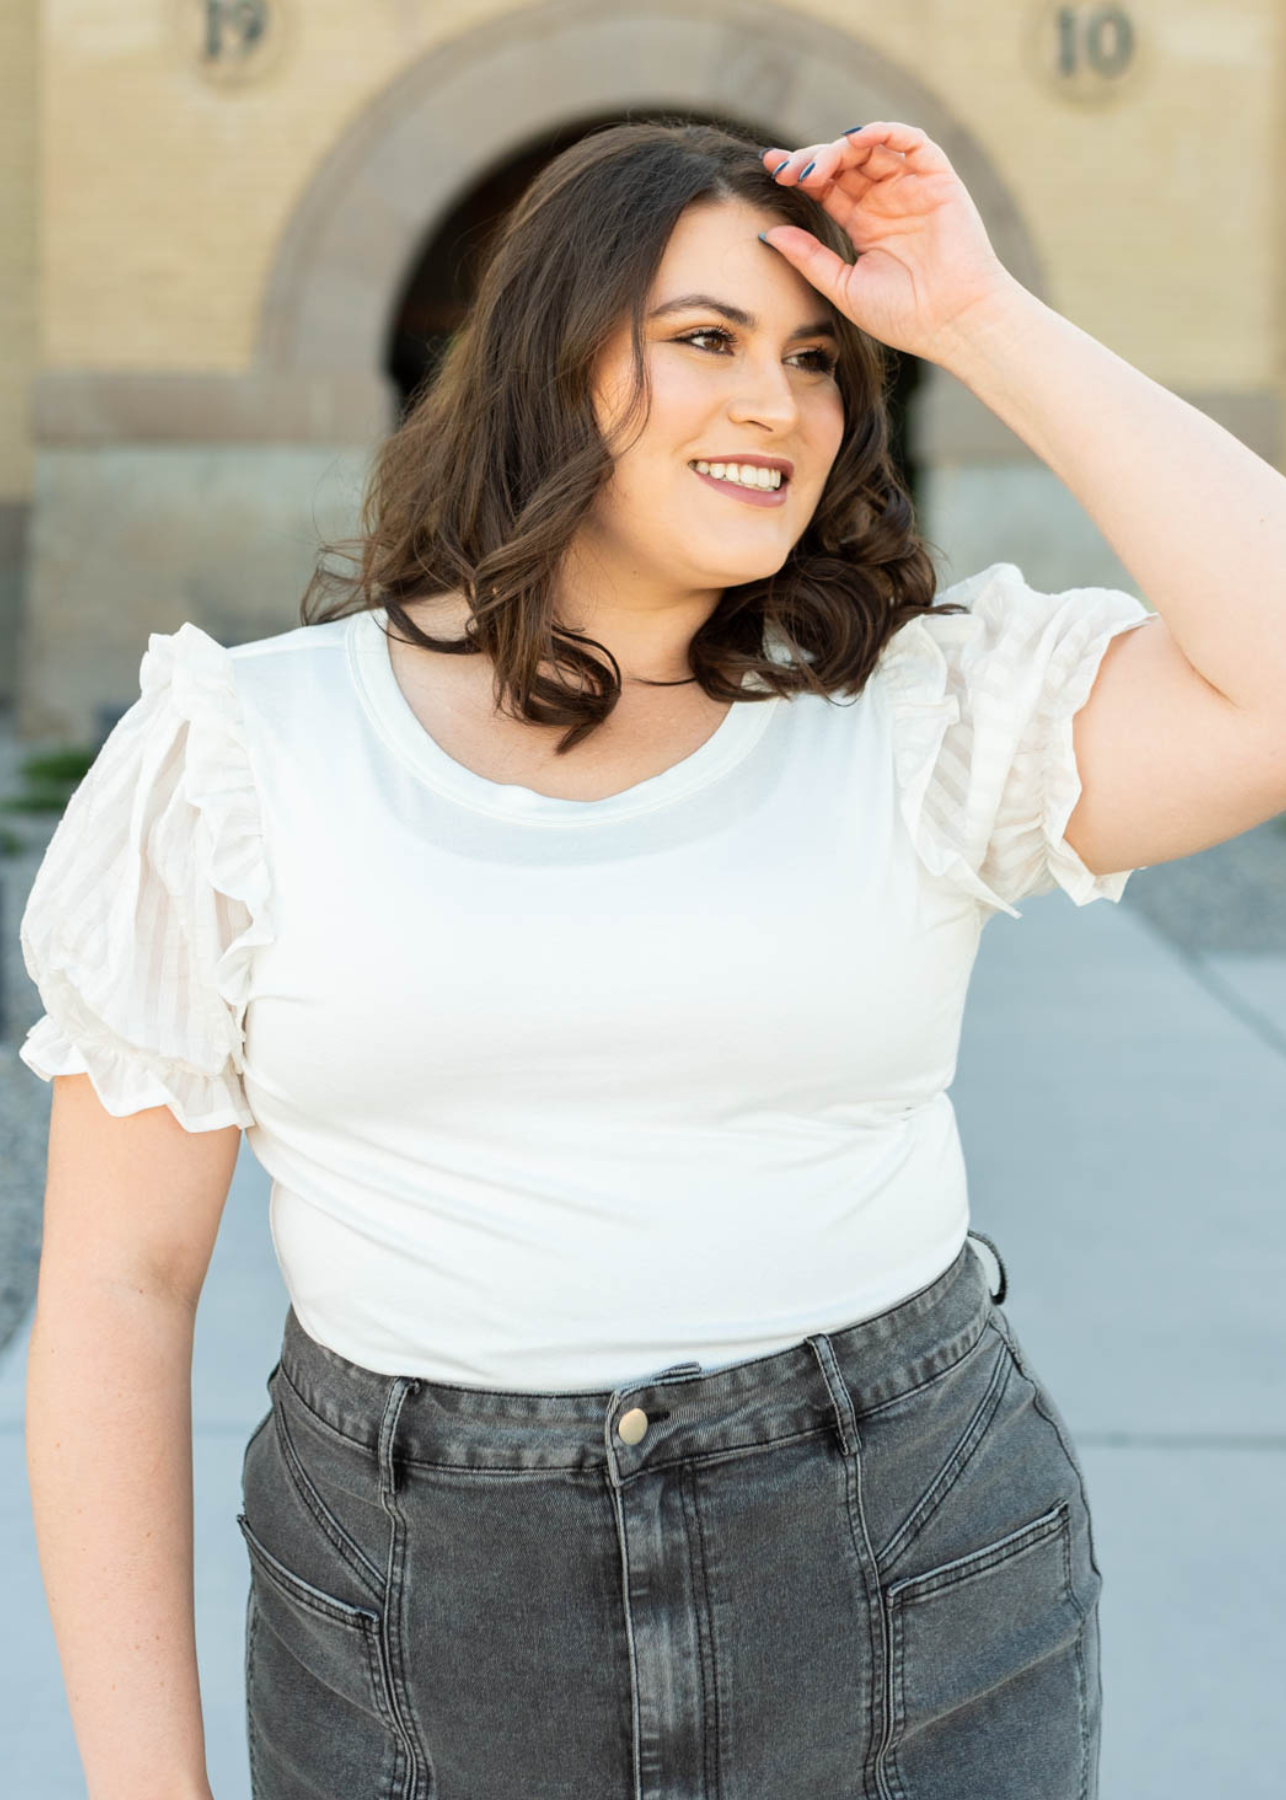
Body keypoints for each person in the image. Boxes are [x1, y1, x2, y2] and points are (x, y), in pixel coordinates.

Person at [19, 116, 1286, 1800]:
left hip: (898, 1569)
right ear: (548, 364)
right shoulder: (242, 750)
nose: (780, 402)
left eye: (822, 360)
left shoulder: (916, 716)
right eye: (704, 339)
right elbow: (118, 1291)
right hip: (414, 1618)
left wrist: (974, 312)